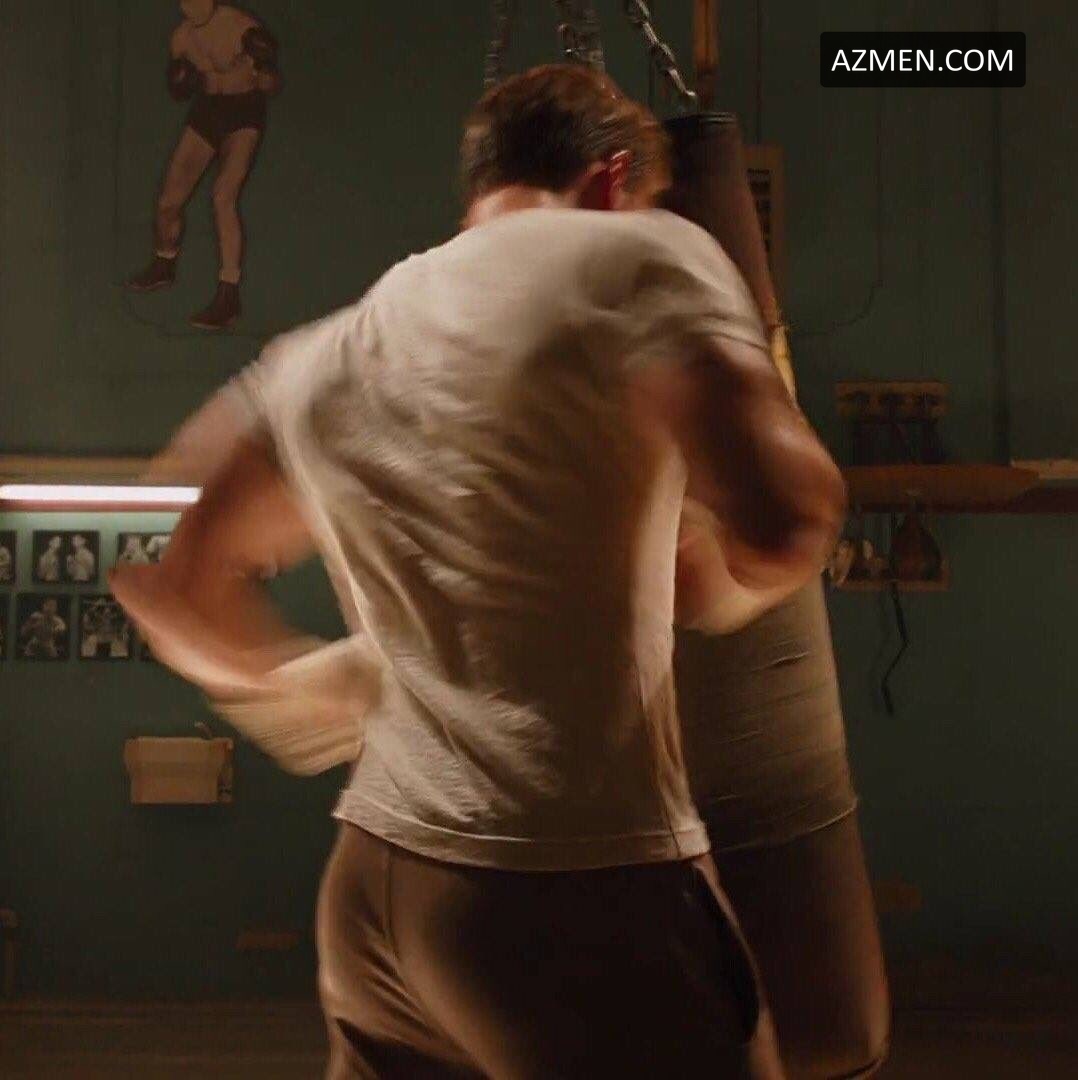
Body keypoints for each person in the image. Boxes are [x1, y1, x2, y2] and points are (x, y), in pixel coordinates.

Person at [114, 64, 847, 1078]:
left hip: (378, 900)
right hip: (573, 886)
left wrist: (318, 689)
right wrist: (717, 586)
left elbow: (179, 595)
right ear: (612, 180)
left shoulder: (330, 348)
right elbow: (787, 520)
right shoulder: (642, 253)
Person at [126, 0, 281, 330]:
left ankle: (229, 294)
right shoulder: (180, 39)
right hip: (208, 111)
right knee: (168, 202)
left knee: (223, 196)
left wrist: (264, 74)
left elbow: (271, 84)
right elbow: (181, 90)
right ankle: (164, 263)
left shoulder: (240, 26)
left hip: (244, 112)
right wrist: (184, 82)